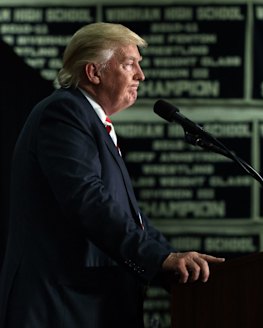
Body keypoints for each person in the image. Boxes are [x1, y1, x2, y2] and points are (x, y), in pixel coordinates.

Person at [0, 22, 224, 327]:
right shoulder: (65, 112)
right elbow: (88, 201)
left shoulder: (92, 122)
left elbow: (128, 217)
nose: (140, 76)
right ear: (94, 73)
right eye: (129, 64)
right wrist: (158, 259)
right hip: (60, 308)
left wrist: (172, 259)